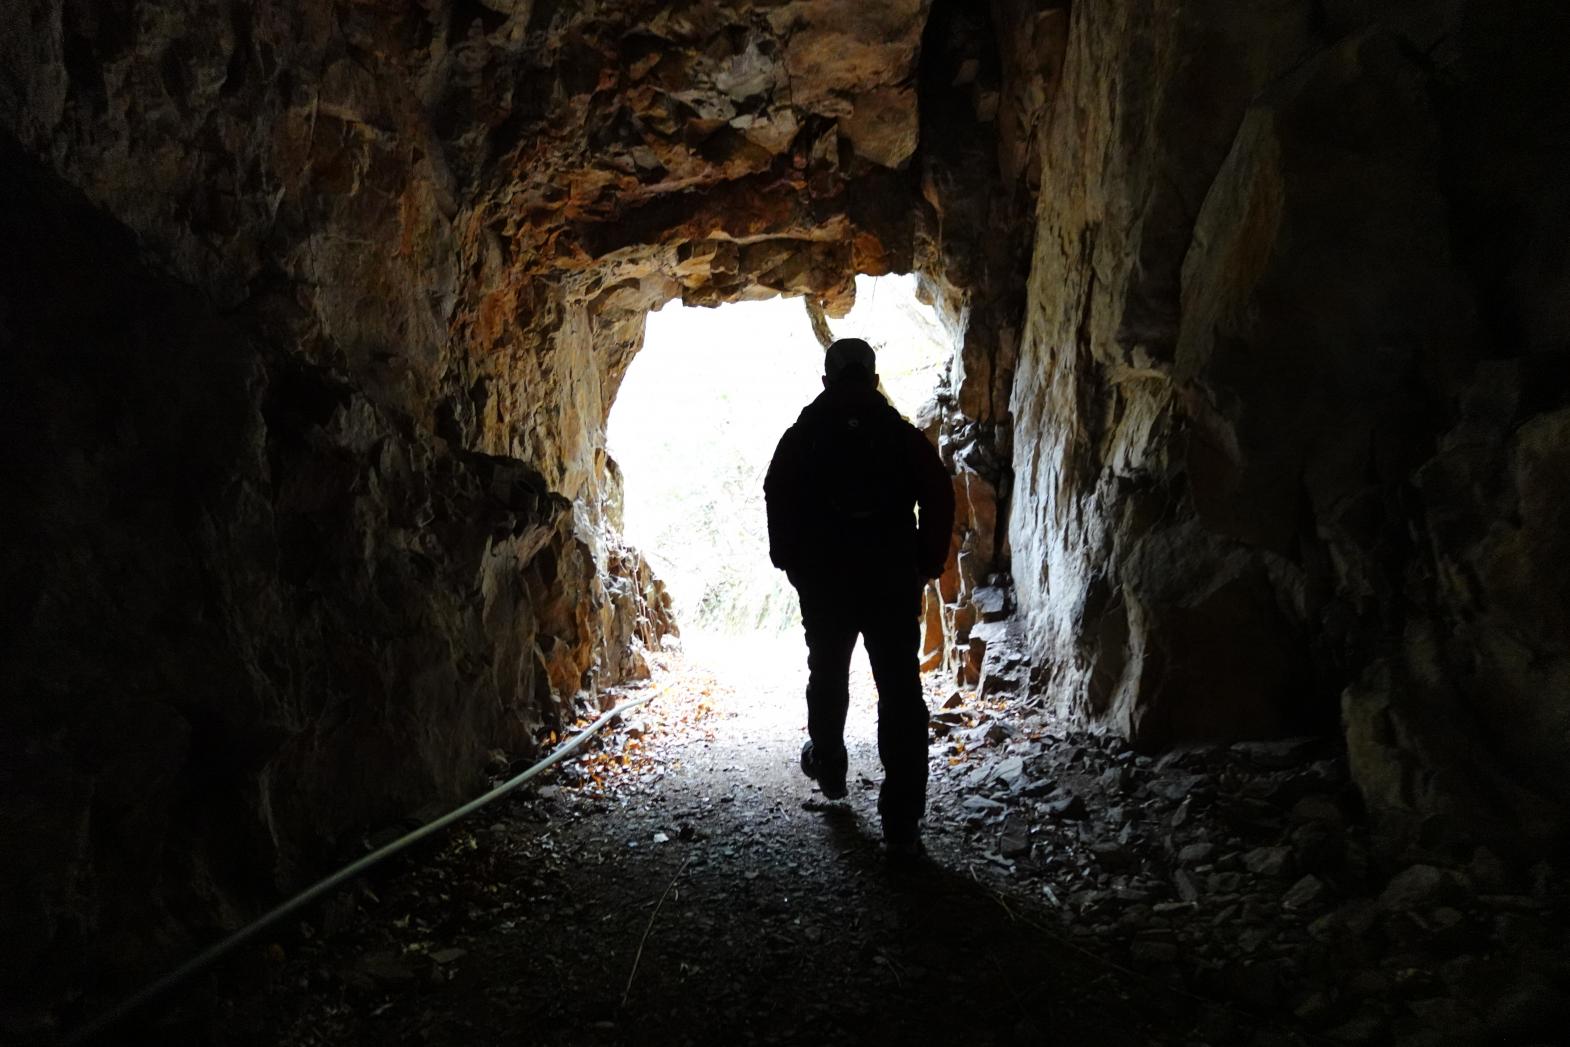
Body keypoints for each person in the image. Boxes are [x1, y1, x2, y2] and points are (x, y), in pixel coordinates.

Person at [764, 337, 955, 858]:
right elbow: (938, 489)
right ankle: (901, 821)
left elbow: (776, 490)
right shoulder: (896, 433)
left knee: (827, 672)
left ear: (827, 380)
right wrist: (927, 561)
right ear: (872, 379)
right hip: (890, 576)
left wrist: (791, 562)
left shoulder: (804, 434)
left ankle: (828, 763)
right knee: (899, 689)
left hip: (826, 579)